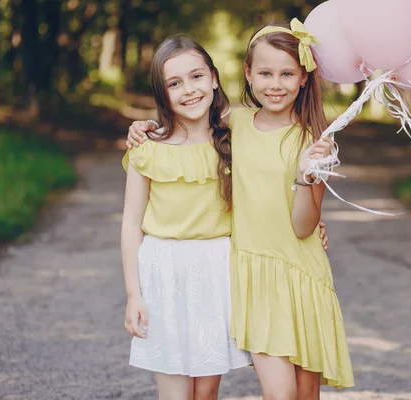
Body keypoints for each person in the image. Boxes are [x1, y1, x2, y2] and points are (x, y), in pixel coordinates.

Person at [126, 19, 352, 399]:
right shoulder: (233, 127)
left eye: (287, 73)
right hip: (251, 273)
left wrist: (305, 180)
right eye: (265, 72)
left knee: (304, 393)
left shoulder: (313, 142)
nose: (275, 83)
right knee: (279, 393)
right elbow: (186, 131)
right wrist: (144, 125)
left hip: (299, 272)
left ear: (303, 79)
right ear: (247, 74)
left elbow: (302, 223)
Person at [120, 35, 251, 400]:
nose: (188, 90)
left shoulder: (236, 138)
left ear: (213, 78)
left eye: (196, 77)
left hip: (217, 270)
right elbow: (131, 223)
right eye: (174, 83)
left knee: (206, 392)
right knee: (175, 392)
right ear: (163, 95)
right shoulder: (148, 148)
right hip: (164, 272)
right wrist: (134, 293)